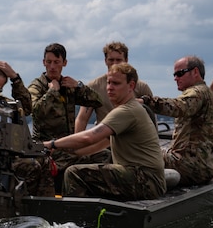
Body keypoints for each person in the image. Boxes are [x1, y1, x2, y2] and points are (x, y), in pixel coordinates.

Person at [46, 63, 166, 200]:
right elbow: (102, 143)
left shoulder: (127, 111)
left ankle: (74, 220)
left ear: (131, 86)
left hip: (146, 180)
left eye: (116, 83)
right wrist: (70, 153)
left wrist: (52, 144)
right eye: (108, 83)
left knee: (75, 174)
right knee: (88, 162)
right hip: (145, 178)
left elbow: (89, 137)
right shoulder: (126, 109)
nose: (110, 88)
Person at [28, 43, 109, 192]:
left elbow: (97, 101)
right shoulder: (37, 86)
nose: (52, 66)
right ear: (43, 62)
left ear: (64, 63)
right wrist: (52, 92)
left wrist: (78, 86)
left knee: (105, 155)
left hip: (68, 146)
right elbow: (35, 111)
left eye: (56, 62)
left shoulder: (68, 85)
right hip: (45, 148)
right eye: (49, 62)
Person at [0, 61, 53, 196]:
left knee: (43, 159)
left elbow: (26, 108)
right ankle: (19, 207)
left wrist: (15, 78)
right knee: (32, 166)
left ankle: (43, 209)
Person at [141, 56, 213, 187]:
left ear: (195, 72)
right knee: (159, 150)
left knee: (137, 148)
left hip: (186, 166)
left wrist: (147, 101)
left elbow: (177, 107)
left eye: (180, 73)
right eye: (174, 74)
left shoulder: (196, 93)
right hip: (206, 169)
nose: (176, 78)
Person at [74, 41, 154, 132]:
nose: (114, 64)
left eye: (118, 60)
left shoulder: (141, 87)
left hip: (132, 139)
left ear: (126, 60)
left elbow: (151, 118)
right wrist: (76, 145)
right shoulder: (94, 86)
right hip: (103, 138)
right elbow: (82, 119)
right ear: (105, 61)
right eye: (111, 60)